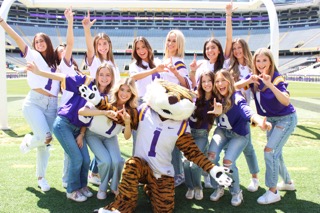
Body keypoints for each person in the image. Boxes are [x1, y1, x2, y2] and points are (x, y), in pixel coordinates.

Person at [0, 14, 59, 192]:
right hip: (34, 102)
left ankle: (41, 178)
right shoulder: (31, 54)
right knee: (45, 137)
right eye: (37, 41)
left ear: (48, 43)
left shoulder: (56, 61)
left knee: (45, 144)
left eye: (43, 41)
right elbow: (17, 38)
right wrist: (2, 22)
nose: (40, 44)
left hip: (52, 105)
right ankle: (28, 143)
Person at [25, 59, 98, 202]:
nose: (104, 79)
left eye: (107, 76)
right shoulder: (85, 80)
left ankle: (82, 186)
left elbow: (89, 116)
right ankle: (71, 190)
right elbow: (62, 77)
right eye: (101, 75)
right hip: (64, 124)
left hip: (78, 129)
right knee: (76, 158)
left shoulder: (104, 95)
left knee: (86, 159)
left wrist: (82, 134)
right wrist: (39, 72)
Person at [236, 48, 297, 205]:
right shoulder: (255, 78)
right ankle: (288, 182)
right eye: (258, 60)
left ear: (270, 62)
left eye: (264, 60)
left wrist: (269, 84)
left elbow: (285, 101)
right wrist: (248, 81)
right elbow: (233, 87)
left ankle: (272, 191)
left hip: (286, 119)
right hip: (271, 120)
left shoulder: (276, 78)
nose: (261, 63)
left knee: (269, 151)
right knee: (278, 154)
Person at [208, 69, 272, 206]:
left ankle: (236, 191)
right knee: (211, 157)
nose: (220, 84)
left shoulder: (237, 97)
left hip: (239, 135)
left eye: (223, 80)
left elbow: (247, 110)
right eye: (217, 81)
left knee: (228, 161)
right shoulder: (215, 96)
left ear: (229, 81)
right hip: (222, 131)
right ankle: (218, 186)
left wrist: (260, 122)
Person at [78, 76, 139, 200]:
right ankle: (102, 187)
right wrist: (104, 112)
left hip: (110, 137)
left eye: (128, 91)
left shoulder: (131, 111)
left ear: (132, 94)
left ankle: (114, 187)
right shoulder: (104, 99)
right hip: (93, 135)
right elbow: (81, 111)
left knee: (117, 161)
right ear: (117, 89)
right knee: (106, 161)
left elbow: (127, 137)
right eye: (122, 89)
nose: (124, 93)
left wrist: (127, 122)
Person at [227, 38, 261, 192]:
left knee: (248, 148)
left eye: (239, 47)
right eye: (234, 48)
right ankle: (227, 179)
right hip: (230, 110)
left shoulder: (253, 67)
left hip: (244, 111)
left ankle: (255, 178)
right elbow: (229, 87)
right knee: (233, 147)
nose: (236, 51)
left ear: (245, 48)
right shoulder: (231, 67)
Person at [183, 71, 222, 200]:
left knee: (195, 164)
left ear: (213, 82)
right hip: (189, 133)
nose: (206, 84)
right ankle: (190, 187)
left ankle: (198, 187)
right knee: (185, 163)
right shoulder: (195, 95)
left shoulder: (216, 99)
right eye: (203, 81)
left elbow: (218, 113)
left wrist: (217, 113)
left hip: (201, 135)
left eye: (209, 81)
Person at [161, 29, 192, 187]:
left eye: (174, 41)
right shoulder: (165, 59)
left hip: (174, 107)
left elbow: (186, 84)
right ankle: (172, 171)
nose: (170, 43)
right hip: (164, 107)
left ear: (179, 45)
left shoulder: (178, 62)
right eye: (168, 40)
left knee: (173, 142)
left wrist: (176, 73)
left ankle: (179, 173)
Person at [189, 1, 233, 90]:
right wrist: (193, 71)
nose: (210, 51)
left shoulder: (225, 61)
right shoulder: (200, 64)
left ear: (219, 50)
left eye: (213, 47)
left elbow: (229, 39)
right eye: (207, 48)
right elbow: (195, 86)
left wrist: (228, 15)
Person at [82, 10, 120, 81]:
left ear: (109, 44)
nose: (102, 47)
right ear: (95, 47)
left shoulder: (113, 64)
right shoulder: (94, 61)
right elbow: (90, 49)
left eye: (104, 43)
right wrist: (87, 29)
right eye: (99, 44)